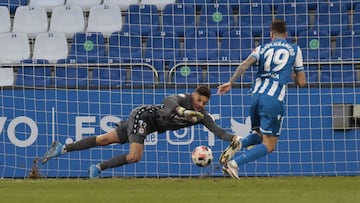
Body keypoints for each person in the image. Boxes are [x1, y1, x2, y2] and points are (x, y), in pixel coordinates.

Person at [42, 85, 240, 178]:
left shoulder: (201, 115)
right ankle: (98, 169)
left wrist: (234, 138)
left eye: (204, 103)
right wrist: (183, 111)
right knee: (135, 156)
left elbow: (217, 130)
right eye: (198, 100)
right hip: (143, 116)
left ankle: (62, 148)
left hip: (148, 125)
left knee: (103, 140)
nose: (200, 105)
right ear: (193, 95)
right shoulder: (182, 100)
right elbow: (167, 102)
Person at [217, 19, 307, 179]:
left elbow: (245, 64)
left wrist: (230, 82)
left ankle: (240, 143)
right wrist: (290, 71)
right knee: (270, 144)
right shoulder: (294, 49)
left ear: (271, 34)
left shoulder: (262, 48)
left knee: (259, 135)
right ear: (286, 35)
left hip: (256, 97)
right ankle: (234, 165)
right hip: (272, 99)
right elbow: (301, 82)